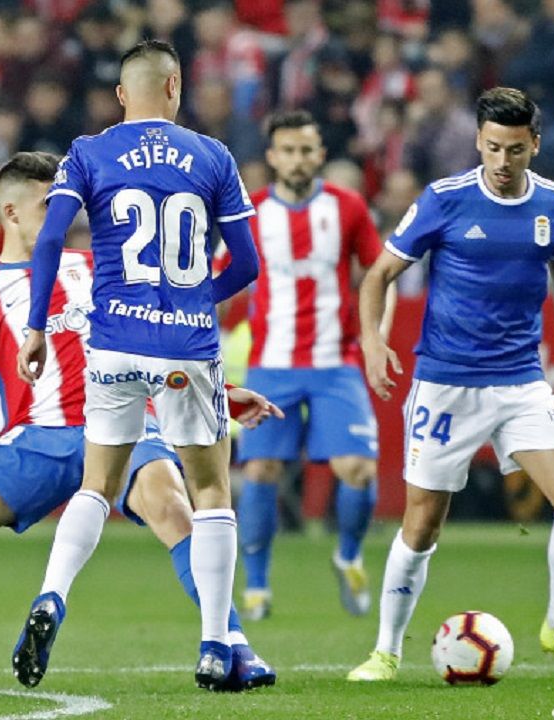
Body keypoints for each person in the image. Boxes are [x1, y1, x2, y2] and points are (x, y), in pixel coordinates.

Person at [0, 151, 279, 692]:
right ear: (12, 213)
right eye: (50, 204)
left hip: (126, 423)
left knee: (176, 513)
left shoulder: (100, 269)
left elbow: (152, 349)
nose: (65, 212)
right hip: (39, 437)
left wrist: (222, 394)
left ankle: (235, 647)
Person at [347, 88, 554, 681]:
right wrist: (373, 341)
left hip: (521, 381)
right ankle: (386, 650)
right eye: (492, 147)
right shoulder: (444, 200)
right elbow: (380, 275)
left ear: (534, 147)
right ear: (478, 141)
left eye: (515, 150)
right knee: (421, 524)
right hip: (446, 384)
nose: (502, 161)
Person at [15, 40, 261, 690]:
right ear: (175, 88)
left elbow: (47, 238)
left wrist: (36, 327)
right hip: (185, 349)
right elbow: (248, 263)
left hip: (114, 344)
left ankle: (52, 593)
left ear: (122, 94)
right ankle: (215, 644)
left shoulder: (89, 152)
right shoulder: (213, 156)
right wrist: (194, 300)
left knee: (97, 484)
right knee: (209, 491)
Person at [227, 110, 390, 621]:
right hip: (271, 364)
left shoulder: (347, 208)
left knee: (357, 468)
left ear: (319, 156)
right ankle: (256, 586)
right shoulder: (249, 213)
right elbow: (217, 280)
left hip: (333, 361)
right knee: (261, 469)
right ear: (272, 157)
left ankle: (349, 556)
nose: (297, 160)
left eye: (306, 151)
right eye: (287, 151)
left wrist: (375, 338)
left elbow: (380, 274)